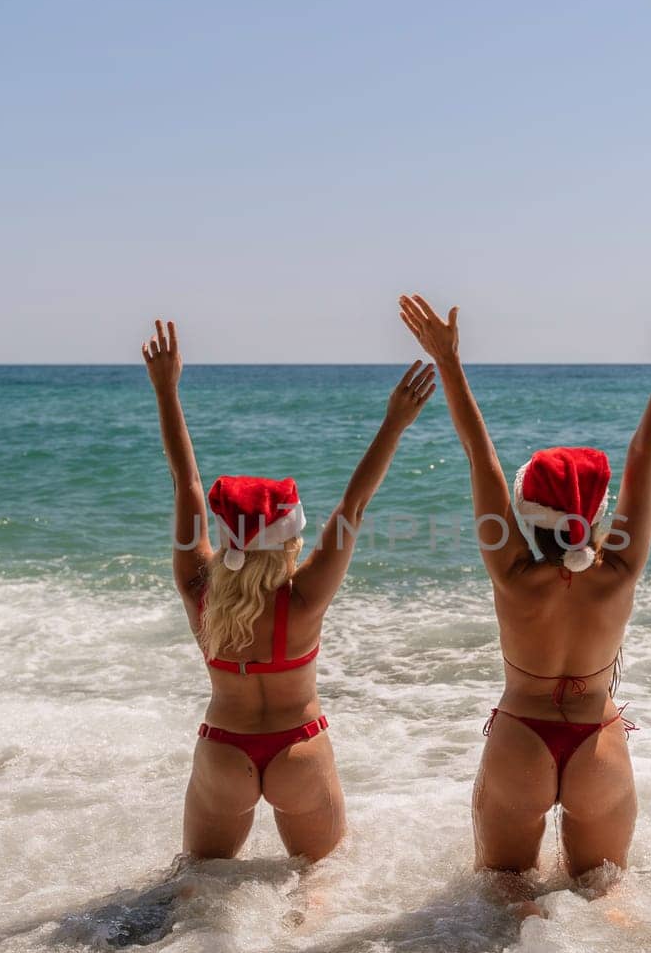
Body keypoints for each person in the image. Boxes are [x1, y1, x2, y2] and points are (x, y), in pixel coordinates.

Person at [397, 285, 651, 900]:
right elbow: (643, 454)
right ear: (598, 515)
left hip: (523, 735)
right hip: (598, 743)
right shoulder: (619, 570)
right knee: (604, 903)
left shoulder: (512, 572)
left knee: (500, 902)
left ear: (527, 515)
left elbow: (479, 457)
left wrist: (448, 361)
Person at [142, 318, 436, 861]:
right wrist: (394, 423)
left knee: (199, 889)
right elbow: (354, 507)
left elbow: (184, 481)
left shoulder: (198, 587)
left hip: (223, 753)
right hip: (299, 749)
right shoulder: (304, 599)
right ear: (289, 540)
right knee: (317, 890)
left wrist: (166, 390)